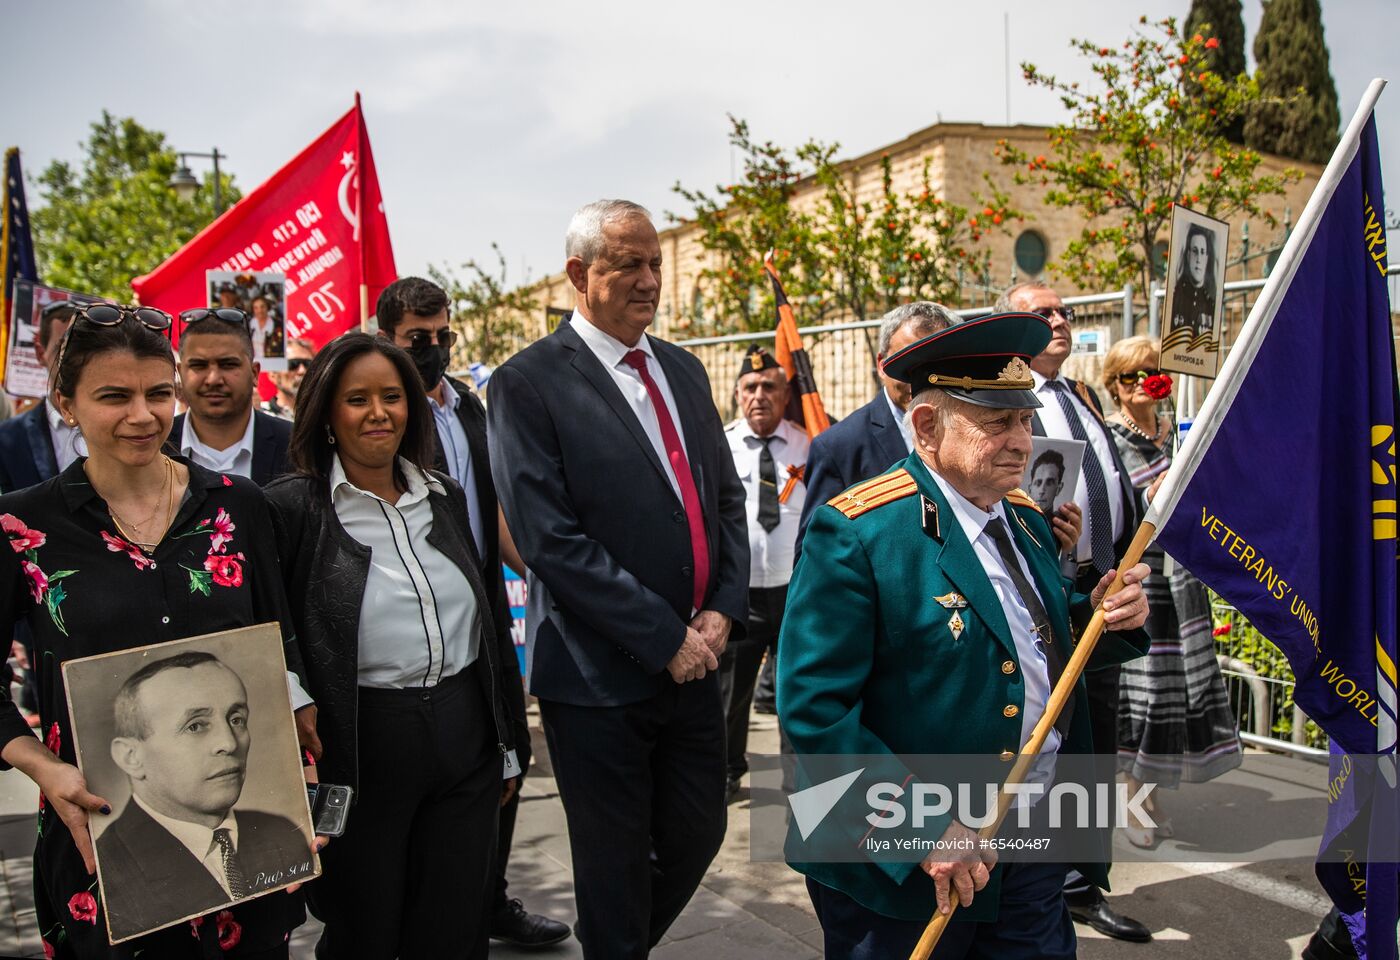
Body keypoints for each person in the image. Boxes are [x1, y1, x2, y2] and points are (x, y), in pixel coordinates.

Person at [779, 311, 1152, 960]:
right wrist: (922, 827)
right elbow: (814, 712)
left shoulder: (1024, 518)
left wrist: (1104, 614)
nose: (1021, 442)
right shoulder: (859, 534)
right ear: (927, 427)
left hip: (1030, 841)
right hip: (902, 872)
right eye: (997, 422)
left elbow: (1042, 637)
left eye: (1026, 421)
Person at [0, 302, 316, 958]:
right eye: (114, 396)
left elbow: (279, 648)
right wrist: (42, 769)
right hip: (99, 842)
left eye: (158, 394)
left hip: (250, 851)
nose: (143, 416)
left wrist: (299, 772)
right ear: (65, 402)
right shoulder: (22, 530)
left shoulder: (241, 506)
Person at [487, 199, 748, 959]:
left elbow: (724, 500)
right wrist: (661, 635)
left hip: (696, 658)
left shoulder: (684, 369)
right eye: (627, 264)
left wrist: (722, 611)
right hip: (597, 675)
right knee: (612, 866)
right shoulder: (527, 384)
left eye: (655, 262)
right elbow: (550, 540)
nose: (648, 280)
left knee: (698, 831)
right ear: (578, 274)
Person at [266, 332, 522, 960]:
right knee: (367, 928)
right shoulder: (292, 509)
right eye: (357, 399)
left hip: (464, 737)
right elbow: (269, 629)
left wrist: (507, 744)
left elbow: (488, 618)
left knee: (456, 927)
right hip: (362, 743)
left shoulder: (445, 495)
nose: (378, 412)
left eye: (392, 396)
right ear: (326, 410)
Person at [372, 275, 562, 947]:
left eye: (442, 335)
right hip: (414, 628)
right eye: (416, 339)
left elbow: (497, 510)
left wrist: (550, 573)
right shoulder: (381, 417)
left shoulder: (473, 411)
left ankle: (489, 898)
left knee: (509, 754)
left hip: (486, 622)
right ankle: (427, 911)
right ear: (386, 339)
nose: (433, 349)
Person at [996, 281, 1149, 942]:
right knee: (1044, 738)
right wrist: (1040, 531)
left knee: (1092, 745)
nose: (1059, 320)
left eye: (1064, 311)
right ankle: (1040, 877)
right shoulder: (1004, 397)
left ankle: (1082, 880)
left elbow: (1108, 480)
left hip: (1097, 594)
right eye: (1042, 313)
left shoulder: (1078, 394)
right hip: (1041, 597)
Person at [1100, 336, 1241, 846]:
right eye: (1130, 376)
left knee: (1180, 689)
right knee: (1148, 691)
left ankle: (1150, 793)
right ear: (1114, 386)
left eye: (1151, 372)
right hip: (1143, 578)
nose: (1143, 383)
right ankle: (1132, 799)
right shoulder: (1111, 437)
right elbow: (1113, 511)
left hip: (1183, 577)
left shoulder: (1179, 429)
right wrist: (1153, 497)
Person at [99, 652, 313, 940]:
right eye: (195, 726)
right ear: (131, 756)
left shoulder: (282, 832)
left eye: (236, 719)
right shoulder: (111, 866)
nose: (228, 742)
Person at [720, 344, 806, 804]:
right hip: (741, 591)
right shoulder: (721, 445)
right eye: (750, 387)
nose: (759, 396)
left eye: (769, 387)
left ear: (785, 393)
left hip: (796, 591)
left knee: (794, 690)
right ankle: (729, 771)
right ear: (737, 394)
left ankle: (797, 785)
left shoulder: (809, 442)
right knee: (732, 690)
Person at [167, 308, 292, 486]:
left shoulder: (296, 447)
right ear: (180, 372)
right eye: (199, 365)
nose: (213, 379)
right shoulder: (155, 446)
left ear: (254, 373)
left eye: (228, 365)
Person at [0, 300, 86, 493]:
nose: (77, 360)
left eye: (86, 350)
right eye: (63, 349)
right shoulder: (9, 438)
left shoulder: (125, 425)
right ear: (41, 352)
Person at [1168, 224, 1217, 338]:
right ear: (1188, 255)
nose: (1198, 259)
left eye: (1202, 252)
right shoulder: (1175, 298)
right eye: (1195, 251)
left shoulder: (1210, 304)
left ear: (1206, 258)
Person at [261, 337, 315, 420]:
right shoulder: (260, 415)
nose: (302, 371)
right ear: (273, 375)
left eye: (308, 364)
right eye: (293, 364)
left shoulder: (327, 414)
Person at [1028, 449, 1066, 516]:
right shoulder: (1013, 518)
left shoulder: (1064, 523)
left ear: (1058, 489)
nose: (1042, 491)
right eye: (1038, 483)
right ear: (1030, 488)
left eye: (1049, 483)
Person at [249, 297, 283, 362]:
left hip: (271, 362)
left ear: (267, 307)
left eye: (262, 307)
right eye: (256, 308)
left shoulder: (277, 325)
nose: (260, 311)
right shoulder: (248, 324)